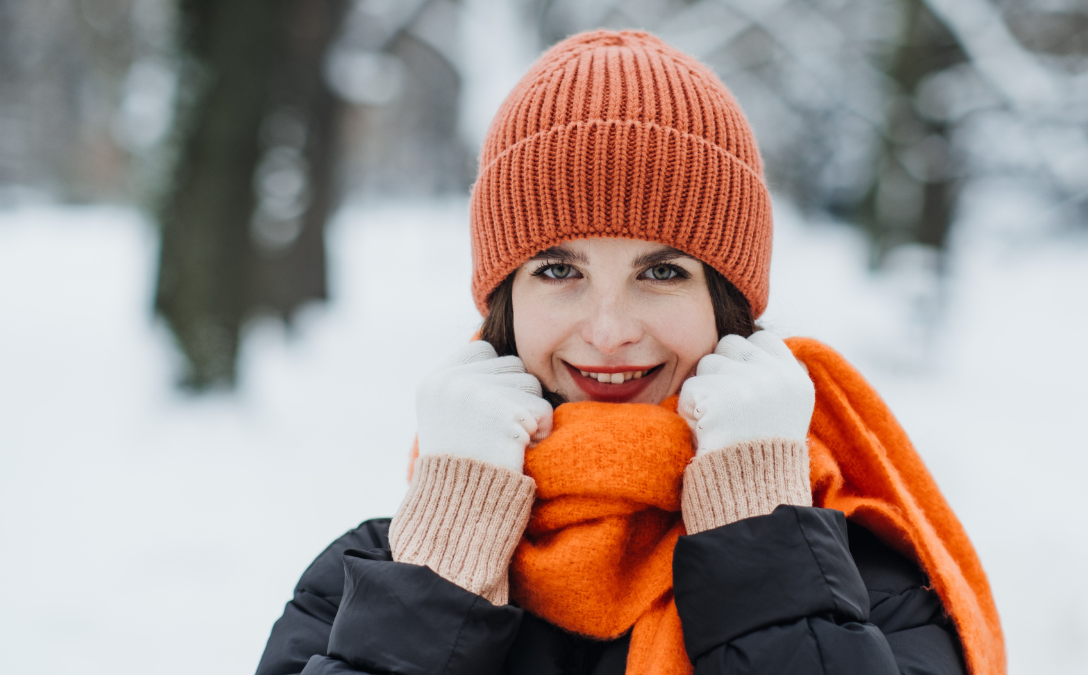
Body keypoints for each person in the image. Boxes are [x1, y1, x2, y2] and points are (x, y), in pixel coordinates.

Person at [255, 30, 1004, 675]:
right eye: (558, 270)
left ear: (727, 303)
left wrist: (759, 535)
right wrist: (442, 564)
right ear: (504, 302)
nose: (609, 329)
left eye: (662, 271)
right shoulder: (366, 583)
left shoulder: (866, 582)